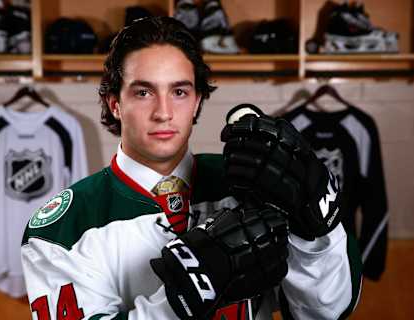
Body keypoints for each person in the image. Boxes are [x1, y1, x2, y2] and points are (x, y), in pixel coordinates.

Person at [21, 16, 362, 320]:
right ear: (115, 104)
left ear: (197, 100)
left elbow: (325, 311)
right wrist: (183, 298)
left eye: (180, 91)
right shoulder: (63, 229)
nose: (164, 112)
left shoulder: (249, 186)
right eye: (143, 92)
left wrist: (317, 229)